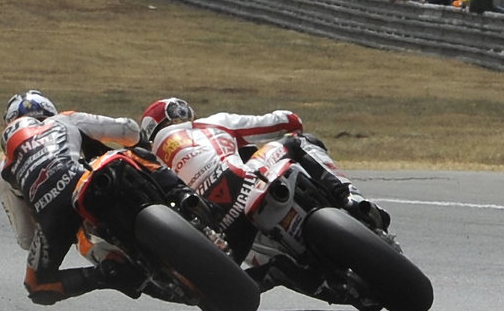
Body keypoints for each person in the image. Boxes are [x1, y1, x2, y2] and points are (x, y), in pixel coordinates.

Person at [138, 97, 388, 253]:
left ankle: (278, 271)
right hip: (247, 183)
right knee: (300, 142)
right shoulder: (212, 123)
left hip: (218, 225)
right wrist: (292, 121)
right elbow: (281, 121)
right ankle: (349, 197)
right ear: (180, 113)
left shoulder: (151, 163)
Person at [0, 90, 146, 306]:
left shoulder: (3, 172)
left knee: (37, 286)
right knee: (141, 156)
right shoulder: (65, 118)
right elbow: (128, 129)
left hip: (54, 212)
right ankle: (182, 192)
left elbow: (26, 239)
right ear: (49, 112)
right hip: (87, 180)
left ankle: (109, 272)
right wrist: (140, 143)